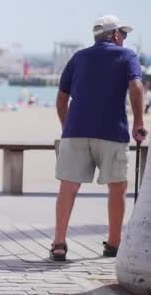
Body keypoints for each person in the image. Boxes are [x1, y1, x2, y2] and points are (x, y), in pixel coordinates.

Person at [51, 15, 146, 261]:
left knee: (68, 187)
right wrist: (138, 121)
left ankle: (59, 244)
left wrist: (67, 127)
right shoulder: (127, 56)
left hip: (76, 132)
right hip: (112, 132)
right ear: (115, 35)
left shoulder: (79, 57)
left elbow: (62, 98)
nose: (124, 39)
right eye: (123, 35)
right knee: (117, 187)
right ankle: (113, 245)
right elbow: (136, 87)